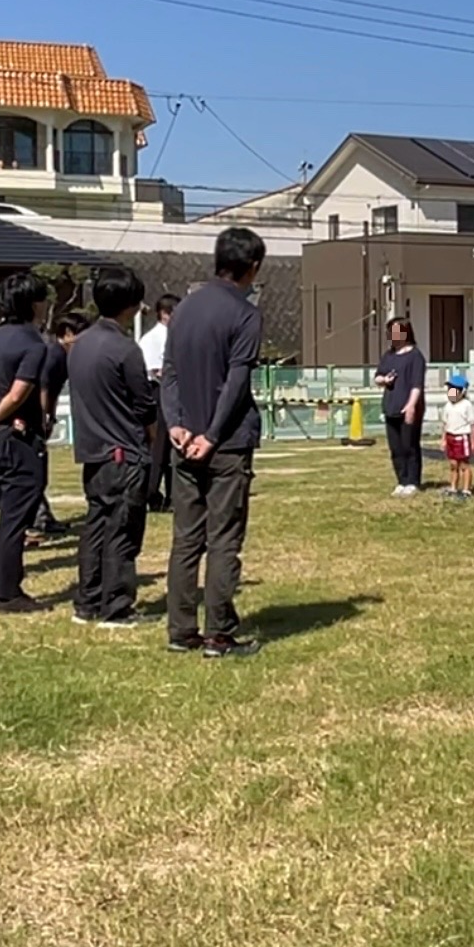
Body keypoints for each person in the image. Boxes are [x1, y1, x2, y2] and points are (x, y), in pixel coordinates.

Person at [161, 227, 267, 659]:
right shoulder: (244, 314)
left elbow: (168, 373)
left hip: (183, 440)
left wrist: (176, 424)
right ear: (253, 267)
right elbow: (236, 382)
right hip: (225, 442)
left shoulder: (183, 309)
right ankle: (218, 634)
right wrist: (213, 434)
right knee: (223, 537)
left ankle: (181, 629)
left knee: (186, 538)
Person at [68, 267, 157, 629]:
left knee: (96, 527)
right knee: (123, 530)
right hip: (124, 452)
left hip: (92, 451)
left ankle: (87, 601)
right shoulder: (125, 349)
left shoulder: (79, 345)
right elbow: (144, 405)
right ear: (131, 306)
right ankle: (116, 606)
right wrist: (152, 437)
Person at [0, 272, 52, 614]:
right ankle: (8, 593)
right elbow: (20, 391)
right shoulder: (33, 342)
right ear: (33, 303)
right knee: (18, 514)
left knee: (9, 513)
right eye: (43, 298)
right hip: (19, 435)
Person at [28, 312, 85, 540]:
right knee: (34, 472)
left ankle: (43, 517)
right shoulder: (54, 354)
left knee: (40, 471)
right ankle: (35, 521)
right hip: (32, 417)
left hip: (43, 415)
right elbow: (42, 387)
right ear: (68, 334)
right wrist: (44, 417)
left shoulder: (65, 357)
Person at [374, 317, 427, 496]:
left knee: (409, 446)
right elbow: (377, 377)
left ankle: (413, 481)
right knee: (395, 448)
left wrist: (411, 405)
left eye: (397, 331)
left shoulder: (415, 356)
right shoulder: (388, 356)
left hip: (409, 407)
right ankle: (401, 480)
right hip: (391, 406)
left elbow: (416, 384)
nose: (393, 335)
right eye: (391, 332)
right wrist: (384, 380)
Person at [142, 294, 179, 513]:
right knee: (159, 448)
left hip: (174, 393)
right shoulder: (152, 338)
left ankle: (173, 494)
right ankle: (152, 493)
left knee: (173, 448)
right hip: (158, 393)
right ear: (164, 314)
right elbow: (152, 369)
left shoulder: (176, 335)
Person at [439, 373, 474, 498]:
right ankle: (453, 487)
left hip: (462, 437)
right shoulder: (447, 406)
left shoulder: (467, 405)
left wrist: (472, 442)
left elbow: (472, 424)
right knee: (453, 464)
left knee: (464, 465)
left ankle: (466, 489)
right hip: (450, 437)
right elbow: (444, 424)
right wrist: (443, 439)